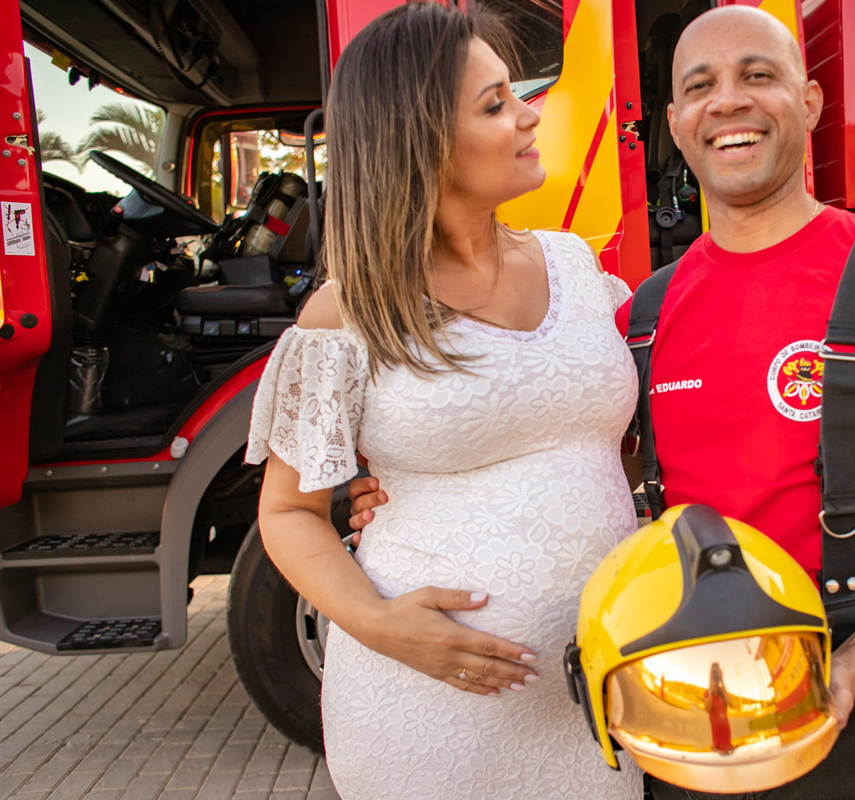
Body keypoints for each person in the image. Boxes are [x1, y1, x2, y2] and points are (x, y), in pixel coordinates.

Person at [351, 5, 855, 799]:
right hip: (682, 695)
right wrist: (401, 493)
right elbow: (560, 448)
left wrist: (850, 669)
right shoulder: (644, 314)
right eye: (701, 86)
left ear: (810, 103)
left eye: (758, 76)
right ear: (674, 123)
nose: (728, 101)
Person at [246, 4, 643, 798]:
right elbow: (287, 512)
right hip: (430, 714)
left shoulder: (575, 267)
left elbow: (604, 449)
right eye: (495, 104)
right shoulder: (345, 315)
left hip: (597, 699)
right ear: (417, 139)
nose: (530, 115)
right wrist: (380, 625)